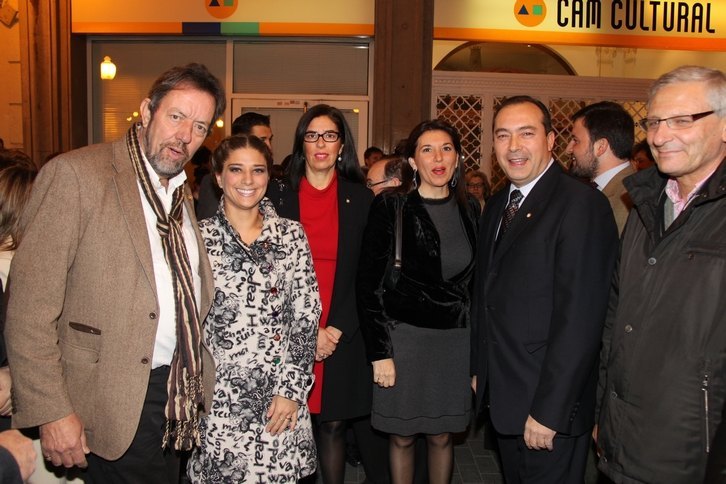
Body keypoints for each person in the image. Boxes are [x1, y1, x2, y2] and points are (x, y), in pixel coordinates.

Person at [4, 63, 225, 483]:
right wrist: (52, 411)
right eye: (176, 116)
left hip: (173, 394)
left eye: (199, 127)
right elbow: (29, 307)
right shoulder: (76, 175)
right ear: (147, 111)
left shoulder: (179, 194)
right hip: (106, 398)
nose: (184, 135)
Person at [470, 95, 618, 484]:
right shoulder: (498, 203)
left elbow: (581, 321)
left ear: (551, 140)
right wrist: (480, 369)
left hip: (548, 408)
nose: (513, 147)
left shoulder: (581, 205)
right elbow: (485, 294)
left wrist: (550, 411)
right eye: (503, 135)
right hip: (505, 395)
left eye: (526, 134)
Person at [597, 66, 726, 483]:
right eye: (653, 122)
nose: (660, 135)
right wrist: (603, 412)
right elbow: (615, 319)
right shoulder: (646, 203)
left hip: (693, 453)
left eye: (681, 120)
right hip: (622, 440)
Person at [266, 104, 389, 484]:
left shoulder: (361, 199)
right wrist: (305, 331)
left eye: (330, 135)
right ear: (301, 143)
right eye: (312, 135)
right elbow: (268, 272)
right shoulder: (277, 196)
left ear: (342, 145)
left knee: (333, 424)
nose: (321, 143)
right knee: (287, 421)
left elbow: (369, 275)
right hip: (288, 328)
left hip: (342, 328)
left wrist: (334, 328)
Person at [187, 135, 321, 482]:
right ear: (218, 177)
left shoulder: (291, 236)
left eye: (258, 170)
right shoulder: (196, 239)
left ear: (268, 176)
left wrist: (291, 391)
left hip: (279, 397)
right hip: (219, 399)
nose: (248, 180)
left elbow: (306, 316)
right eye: (236, 169)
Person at [358, 119, 477, 483]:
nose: (438, 158)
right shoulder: (391, 206)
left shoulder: (471, 208)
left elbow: (478, 287)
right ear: (412, 161)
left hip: (455, 343)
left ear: (457, 158)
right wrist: (380, 353)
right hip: (403, 342)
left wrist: (478, 360)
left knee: (443, 436)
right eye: (427, 150)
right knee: (403, 436)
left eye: (446, 149)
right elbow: (367, 286)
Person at [566, 101, 636, 234]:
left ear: (601, 146)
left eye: (576, 140)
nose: (568, 149)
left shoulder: (631, 198)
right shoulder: (589, 190)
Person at [196, 111, 274, 219]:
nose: (268, 146)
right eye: (236, 170)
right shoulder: (211, 184)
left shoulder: (288, 227)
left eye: (258, 170)